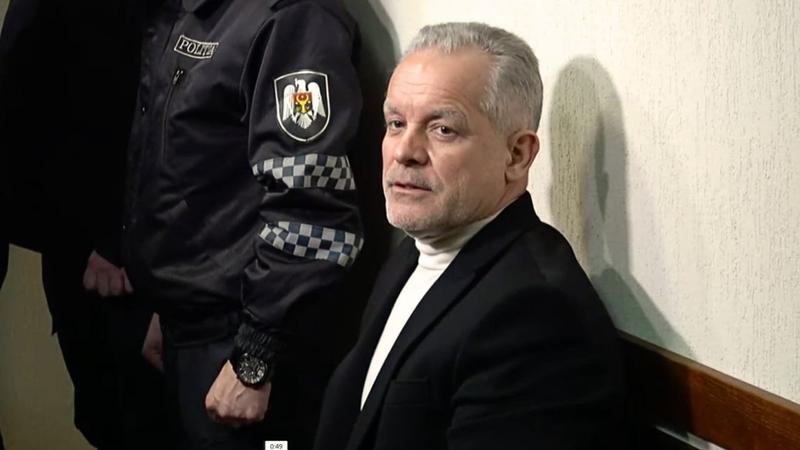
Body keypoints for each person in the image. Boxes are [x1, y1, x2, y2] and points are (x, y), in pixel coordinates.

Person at [314, 22, 625, 450]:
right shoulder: (413, 252)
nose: (404, 151)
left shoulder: (535, 316)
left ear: (517, 155)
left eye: (442, 129)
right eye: (396, 123)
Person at [122, 0, 364, 448]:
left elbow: (312, 208)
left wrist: (255, 357)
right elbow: (190, 172)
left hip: (245, 338)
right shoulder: (193, 10)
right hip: (189, 325)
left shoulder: (294, 17)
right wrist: (167, 302)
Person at [0, 1, 171, 449]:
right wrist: (101, 235)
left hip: (154, 253)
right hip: (100, 264)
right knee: (123, 420)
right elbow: (20, 124)